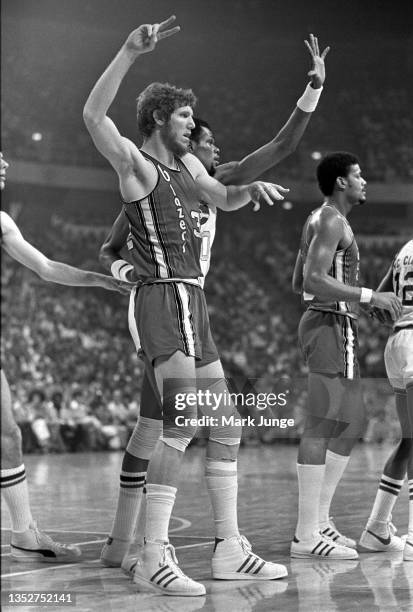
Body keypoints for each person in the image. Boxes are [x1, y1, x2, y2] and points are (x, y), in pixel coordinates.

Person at [83, 15, 303, 596]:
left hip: (193, 301)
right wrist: (129, 51)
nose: (192, 125)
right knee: (181, 424)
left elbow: (231, 187)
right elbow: (92, 117)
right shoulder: (137, 165)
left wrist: (247, 189)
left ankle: (228, 548)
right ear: (160, 119)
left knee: (226, 424)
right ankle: (153, 554)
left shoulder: (191, 170)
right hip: (160, 298)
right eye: (184, 116)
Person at [0, 152, 130, 563]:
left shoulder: (2, 222)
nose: (4, 164)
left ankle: (24, 534)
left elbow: (46, 267)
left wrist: (102, 281)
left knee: (9, 436)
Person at [291, 151, 402, 559]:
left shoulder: (326, 221)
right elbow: (311, 280)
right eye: (358, 175)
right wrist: (368, 295)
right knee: (323, 421)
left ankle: (320, 521)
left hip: (336, 324)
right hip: (327, 326)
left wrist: (358, 304)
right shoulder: (330, 219)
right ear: (341, 182)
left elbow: (298, 281)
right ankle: (305, 534)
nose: (364, 181)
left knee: (353, 420)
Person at [359, 238, 413, 560]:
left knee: (410, 440)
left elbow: (376, 302)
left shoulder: (406, 246)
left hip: (397, 342)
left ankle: (376, 528)